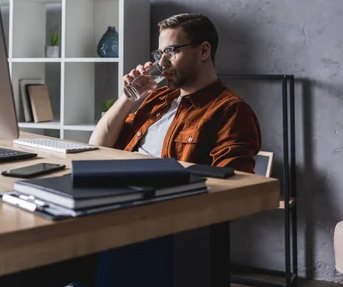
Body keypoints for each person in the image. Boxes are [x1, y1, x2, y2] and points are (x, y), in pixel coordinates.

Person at [90, 13, 261, 173]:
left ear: (203, 51)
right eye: (160, 54)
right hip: (121, 189)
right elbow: (98, 146)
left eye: (171, 52)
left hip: (164, 201)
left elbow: (234, 188)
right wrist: (128, 98)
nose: (162, 63)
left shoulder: (230, 111)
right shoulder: (158, 98)